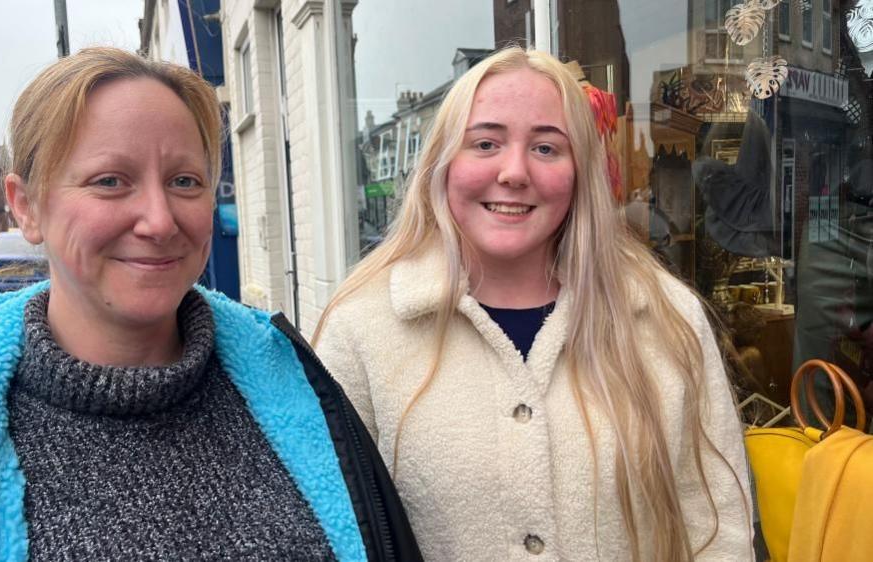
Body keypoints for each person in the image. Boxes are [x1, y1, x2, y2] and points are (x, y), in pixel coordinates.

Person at [0, 47, 419, 561]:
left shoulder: (294, 380)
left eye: (185, 181)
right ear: (26, 207)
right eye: (110, 181)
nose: (159, 221)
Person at [314, 47, 752, 561]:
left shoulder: (666, 318)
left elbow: (717, 526)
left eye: (546, 148)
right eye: (485, 143)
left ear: (580, 172)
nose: (514, 171)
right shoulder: (361, 330)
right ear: (443, 162)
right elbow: (331, 535)